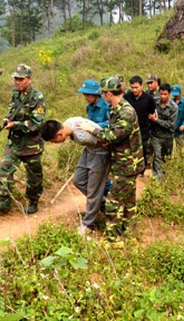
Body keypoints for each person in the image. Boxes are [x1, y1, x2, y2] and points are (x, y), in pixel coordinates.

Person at [79, 77, 144, 243]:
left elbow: (112, 136)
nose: (102, 96)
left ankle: (113, 240)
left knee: (112, 203)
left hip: (128, 163)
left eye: (103, 93)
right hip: (123, 162)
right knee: (129, 202)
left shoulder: (126, 112)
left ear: (108, 93)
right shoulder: (116, 109)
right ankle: (130, 233)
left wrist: (92, 129)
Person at [0, 64, 46, 215]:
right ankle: (5, 200)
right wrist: (8, 119)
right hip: (15, 142)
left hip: (31, 144)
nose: (18, 82)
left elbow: (36, 123)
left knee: (34, 176)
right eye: (16, 79)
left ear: (29, 79)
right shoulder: (16, 94)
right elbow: (12, 110)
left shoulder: (37, 97)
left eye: (21, 79)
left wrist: (15, 125)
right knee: (4, 169)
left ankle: (33, 202)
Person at [40, 117, 109, 236]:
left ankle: (88, 224)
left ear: (60, 134)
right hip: (89, 150)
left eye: (53, 141)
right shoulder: (68, 122)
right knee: (78, 180)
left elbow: (105, 142)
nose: (54, 143)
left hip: (101, 153)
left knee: (93, 190)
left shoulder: (81, 137)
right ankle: (102, 203)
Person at [124, 75, 156, 174]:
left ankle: (141, 171)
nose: (134, 90)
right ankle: (130, 169)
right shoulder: (127, 97)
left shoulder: (149, 98)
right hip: (130, 129)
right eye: (132, 87)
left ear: (141, 86)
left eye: (136, 87)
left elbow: (151, 112)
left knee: (143, 150)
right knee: (129, 150)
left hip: (143, 129)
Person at [149, 84, 178, 181]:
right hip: (155, 136)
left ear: (169, 94)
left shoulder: (173, 107)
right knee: (157, 156)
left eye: (165, 94)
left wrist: (156, 120)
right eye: (161, 94)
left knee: (167, 158)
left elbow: (171, 125)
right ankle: (157, 178)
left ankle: (165, 177)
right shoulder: (154, 102)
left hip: (167, 137)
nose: (163, 96)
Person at [172, 84, 184, 149]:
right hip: (171, 129)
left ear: (180, 93)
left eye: (176, 95)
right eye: (174, 95)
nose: (175, 96)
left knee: (180, 148)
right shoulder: (170, 102)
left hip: (181, 130)